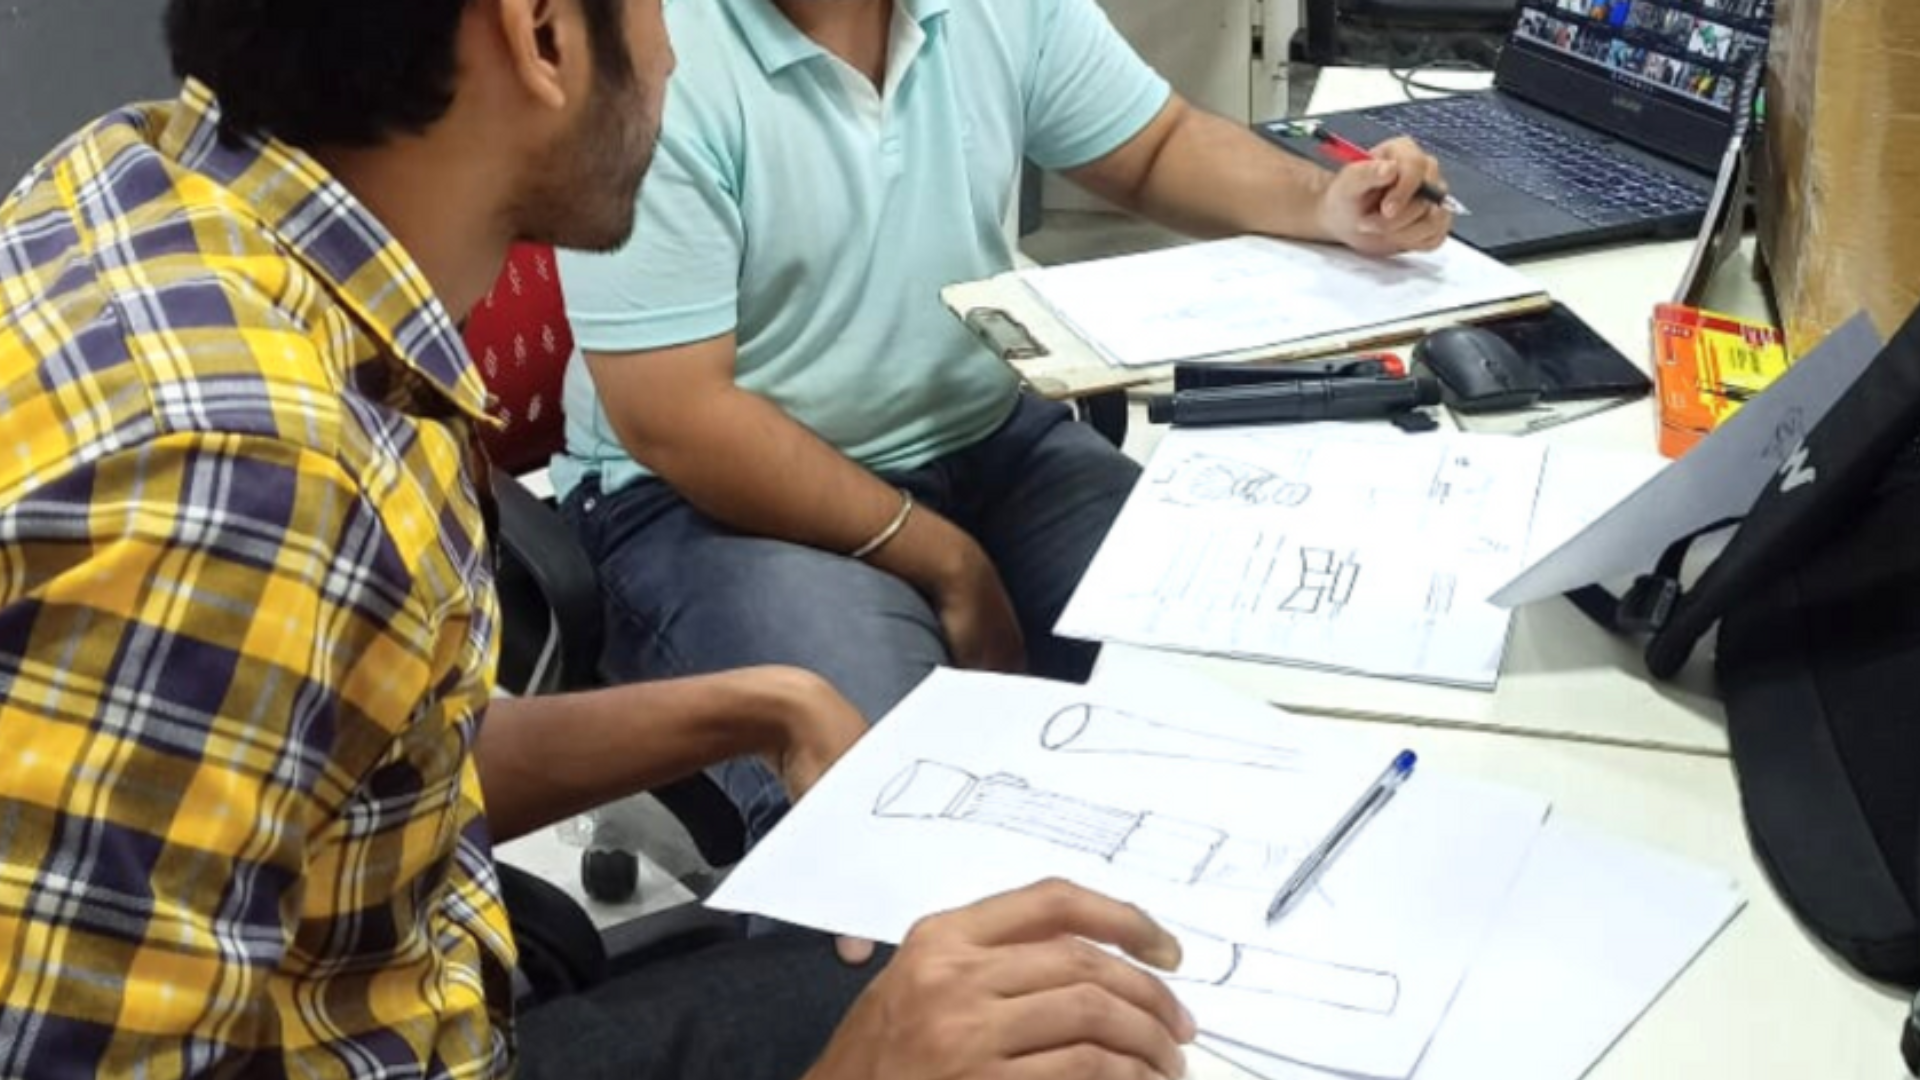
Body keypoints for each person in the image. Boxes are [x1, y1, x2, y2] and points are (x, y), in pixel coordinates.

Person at [0, 1, 1195, 1077]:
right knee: (955, 1002)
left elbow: (368, 761)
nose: (673, 52)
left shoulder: (163, 185)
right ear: (543, 36)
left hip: (408, 963)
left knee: (989, 979)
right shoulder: (242, 483)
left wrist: (757, 705)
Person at [554, 0, 1456, 844]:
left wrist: (1324, 204)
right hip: (709, 502)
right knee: (890, 809)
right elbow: (679, 417)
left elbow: (1154, 145)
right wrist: (946, 559)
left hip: (983, 438)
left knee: (1249, 681)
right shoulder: (653, 46)